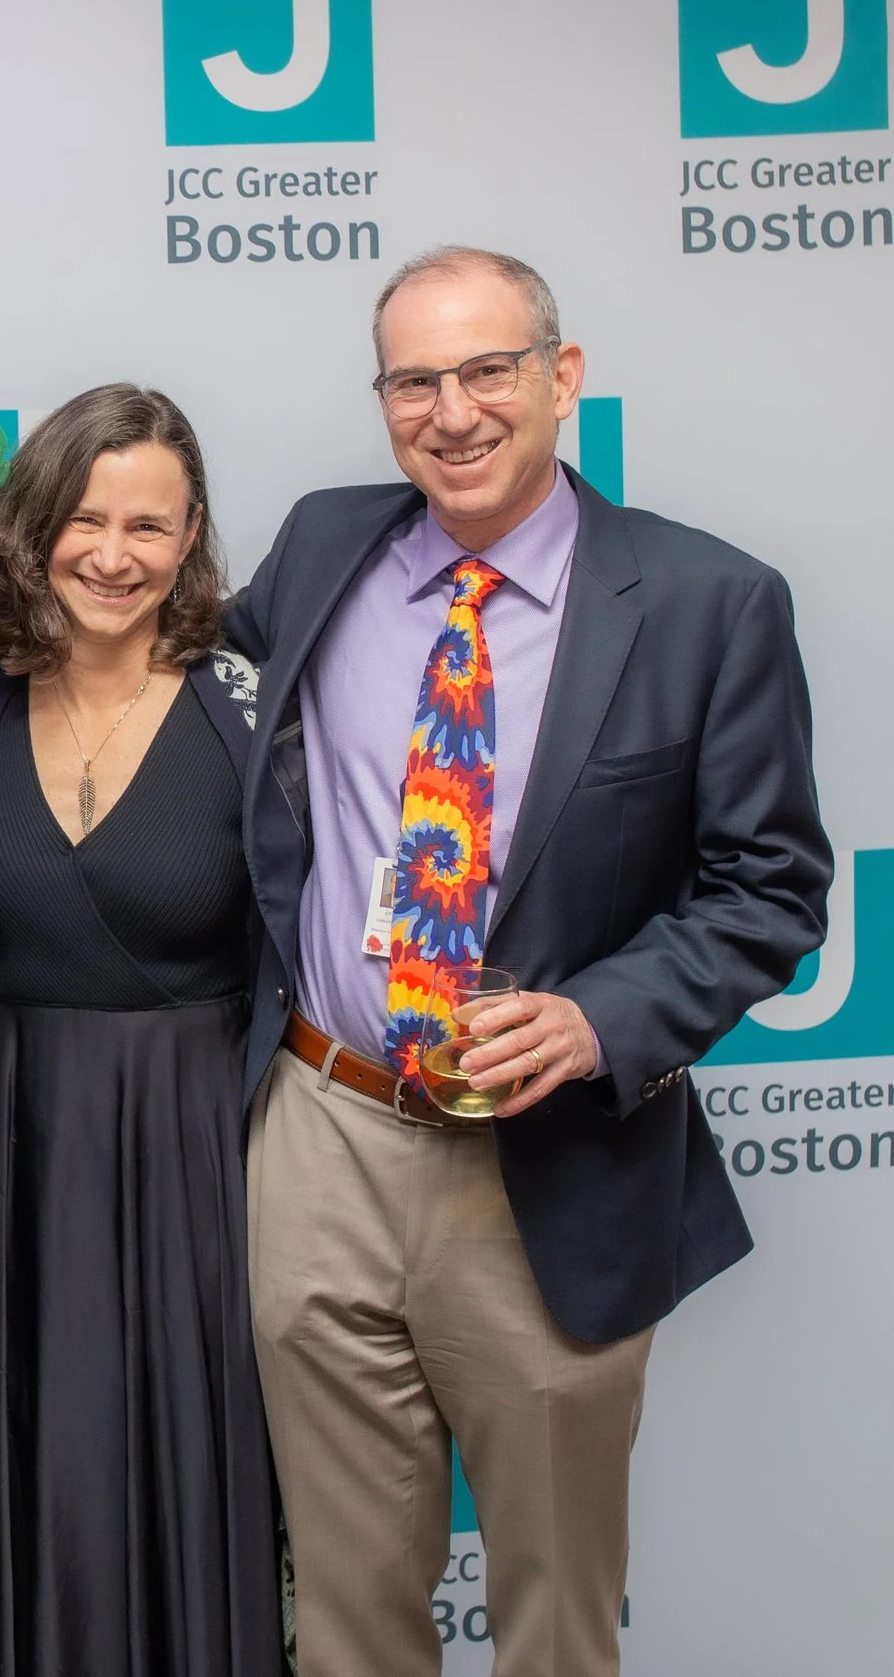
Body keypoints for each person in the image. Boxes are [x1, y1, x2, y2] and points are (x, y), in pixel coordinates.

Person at [225, 246, 830, 1677]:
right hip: (323, 1129)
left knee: (557, 1615)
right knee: (346, 1609)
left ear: (563, 378)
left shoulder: (706, 602)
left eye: (488, 369)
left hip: (548, 1164)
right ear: (382, 401)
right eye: (415, 379)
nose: (453, 410)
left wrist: (599, 1018)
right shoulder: (323, 549)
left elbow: (771, 886)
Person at [0, 384, 281, 1677]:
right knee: (33, 1474)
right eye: (87, 517)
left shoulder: (251, 710)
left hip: (211, 1155)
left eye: (152, 523)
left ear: (192, 536)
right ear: (34, 528)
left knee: (207, 1479)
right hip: (11, 1157)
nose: (116, 552)